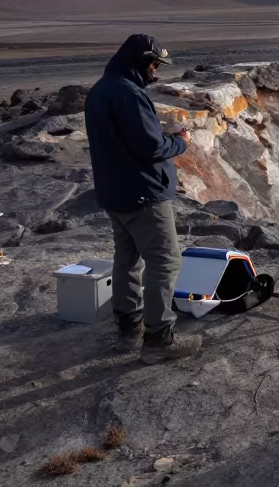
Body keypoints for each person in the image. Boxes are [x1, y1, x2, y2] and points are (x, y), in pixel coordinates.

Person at [84, 34, 202, 364]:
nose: (155, 71)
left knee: (127, 259)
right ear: (140, 61)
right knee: (165, 261)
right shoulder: (129, 95)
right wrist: (180, 143)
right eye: (153, 64)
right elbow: (150, 148)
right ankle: (159, 339)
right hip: (143, 194)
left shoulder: (99, 91)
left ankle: (127, 330)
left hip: (114, 192)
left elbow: (125, 141)